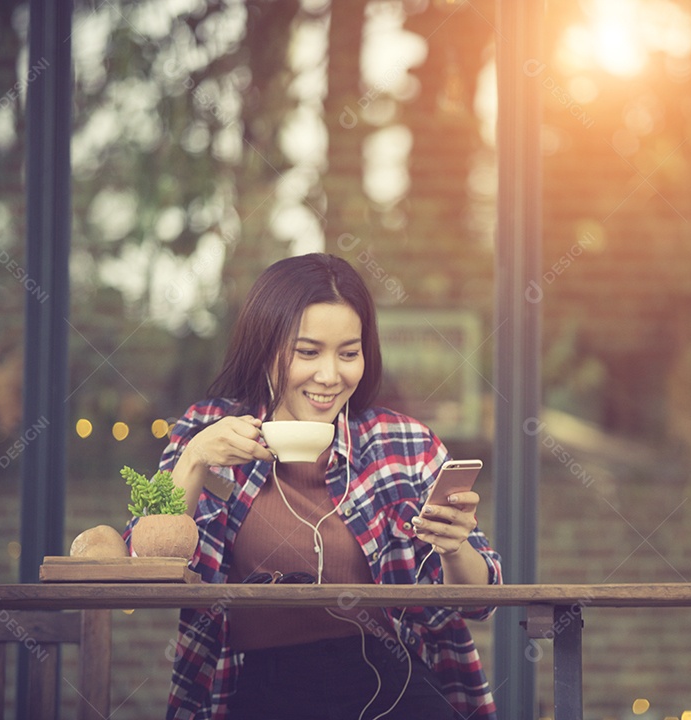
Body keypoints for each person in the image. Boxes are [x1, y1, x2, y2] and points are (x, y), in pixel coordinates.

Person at [133, 253, 502, 720]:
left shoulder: (403, 442)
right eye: (308, 352)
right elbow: (146, 568)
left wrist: (453, 548)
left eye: (348, 353)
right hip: (259, 681)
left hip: (384, 675)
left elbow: (482, 600)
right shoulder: (207, 429)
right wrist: (193, 460)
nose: (330, 376)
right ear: (265, 347)